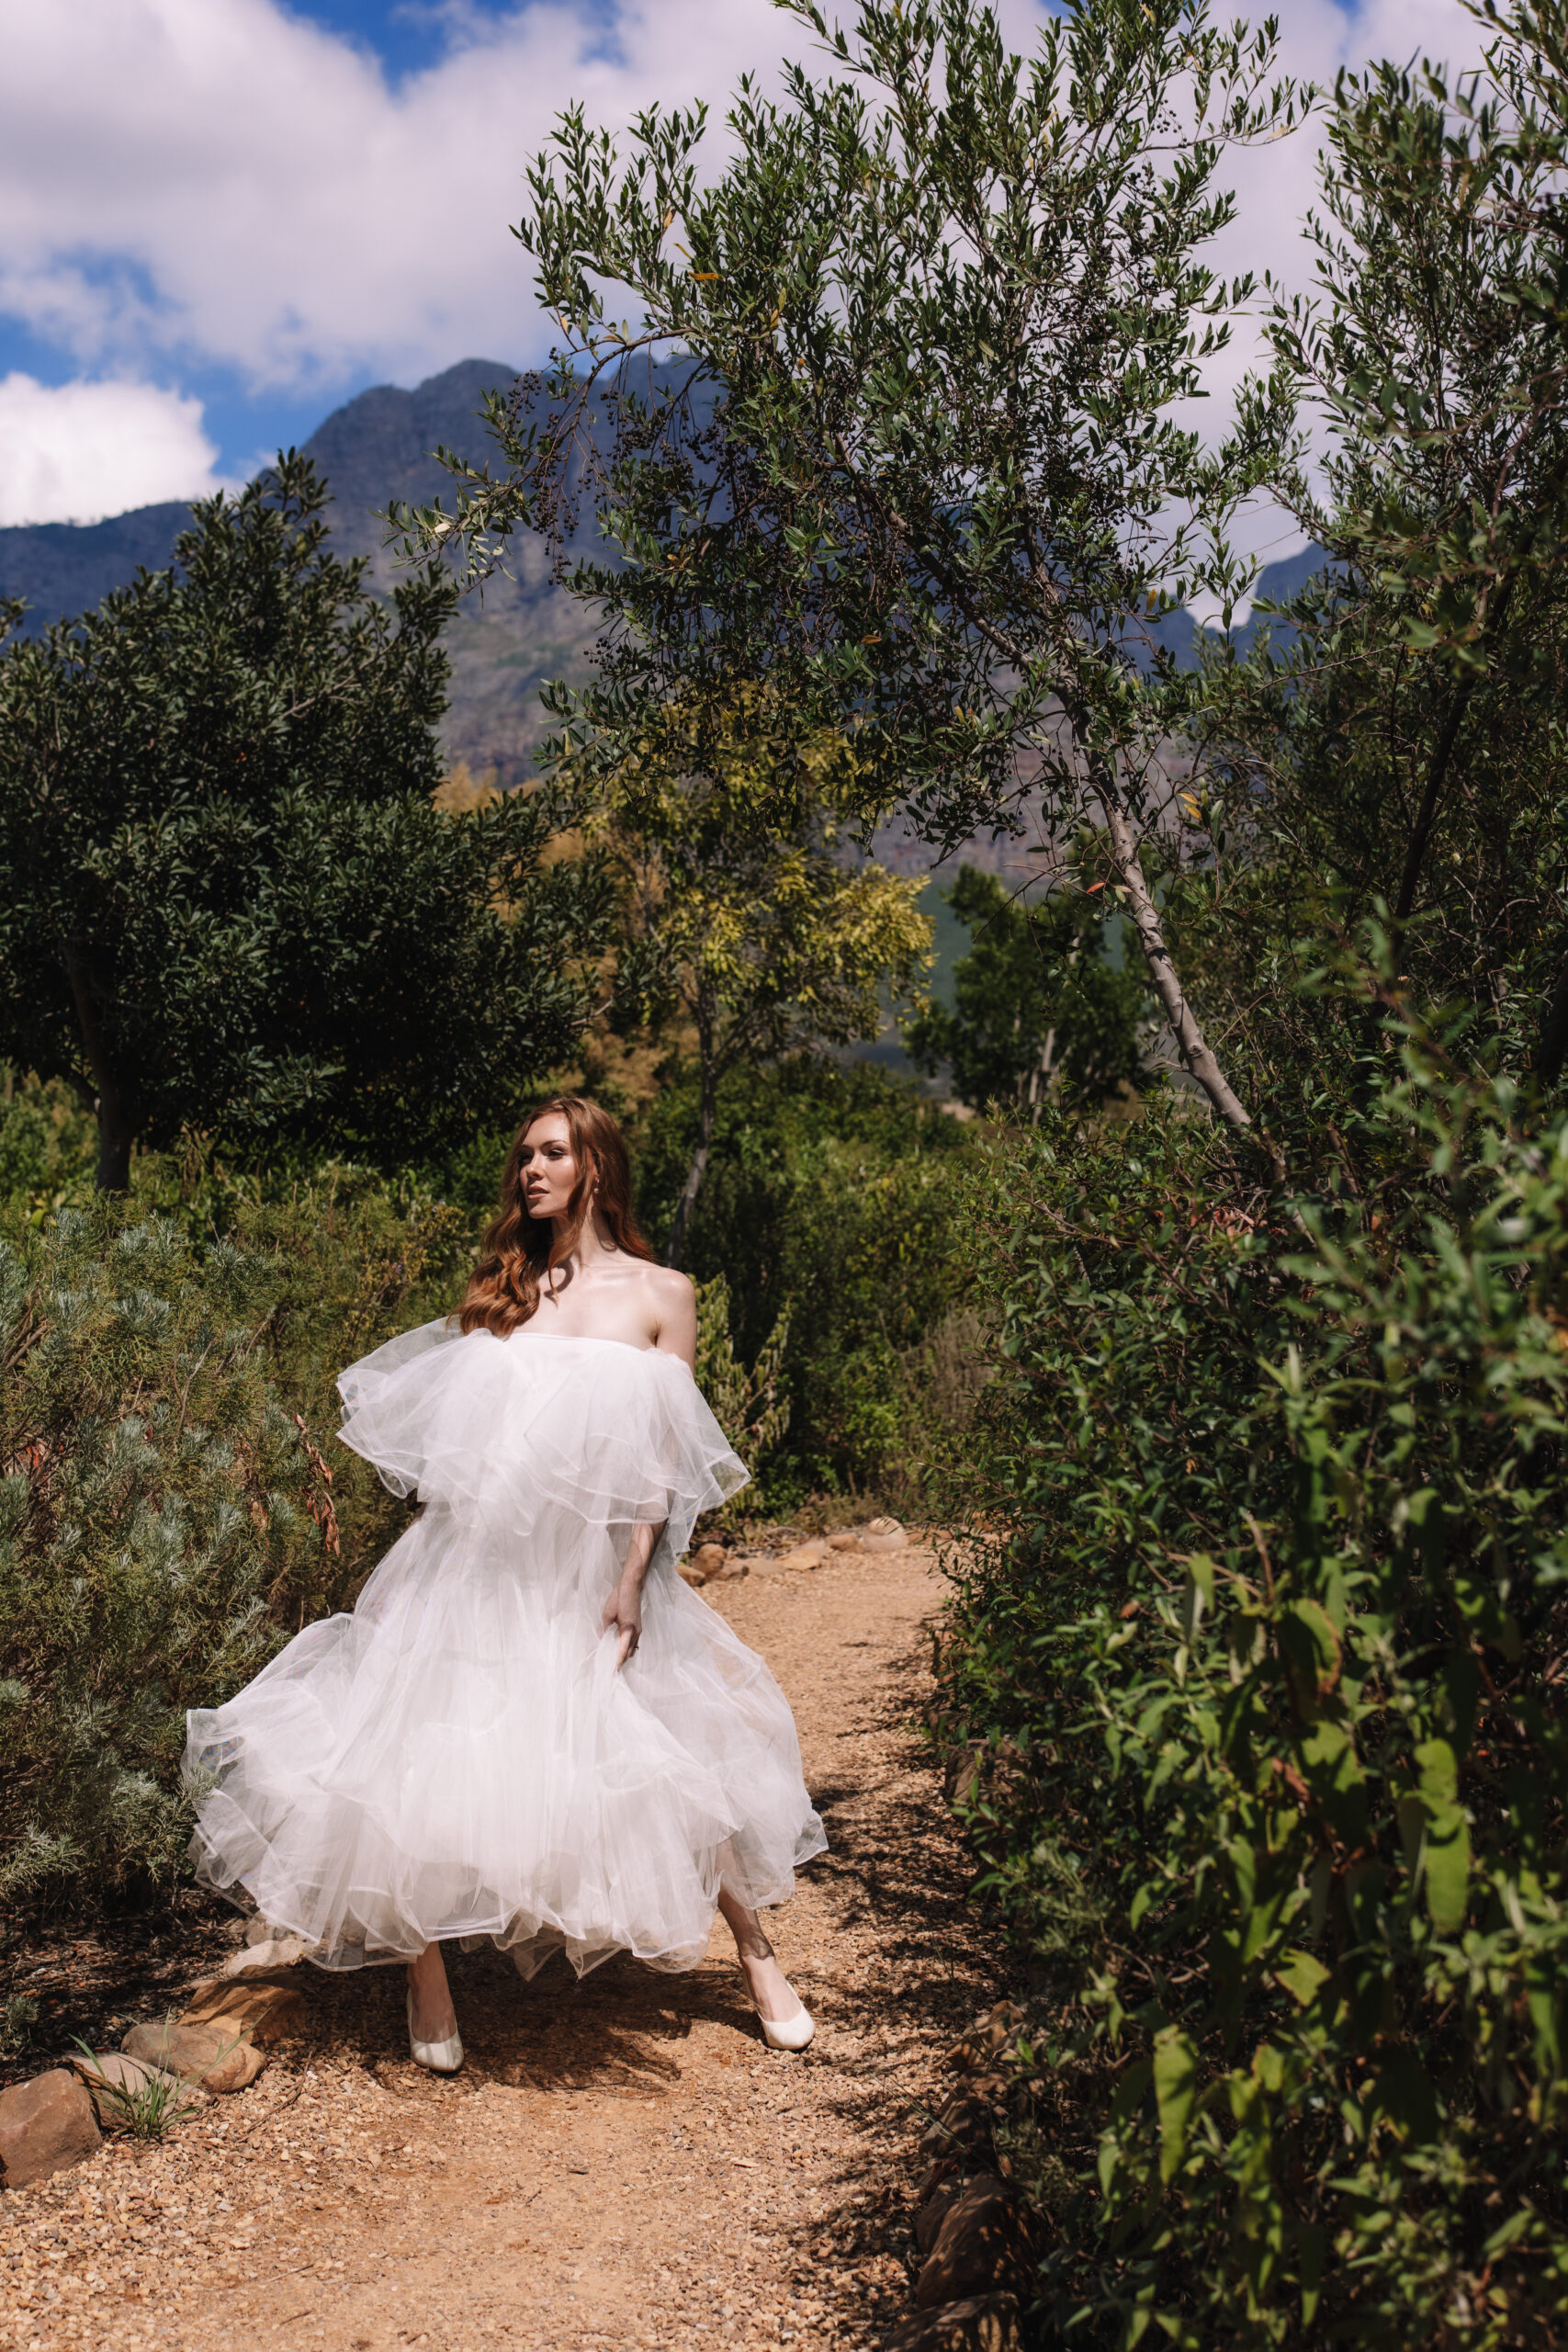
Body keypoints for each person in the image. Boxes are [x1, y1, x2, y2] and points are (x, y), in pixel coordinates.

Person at [185, 1095, 826, 2070]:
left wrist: (634, 1576)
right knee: (421, 1755)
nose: (531, 1168)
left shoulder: (663, 1293)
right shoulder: (511, 1291)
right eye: (525, 1153)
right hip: (479, 1562)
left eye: (553, 1152)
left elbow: (663, 1457)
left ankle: (758, 1952)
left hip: (594, 1568)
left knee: (666, 1754)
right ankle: (425, 1968)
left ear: (595, 1169)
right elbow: (462, 1453)